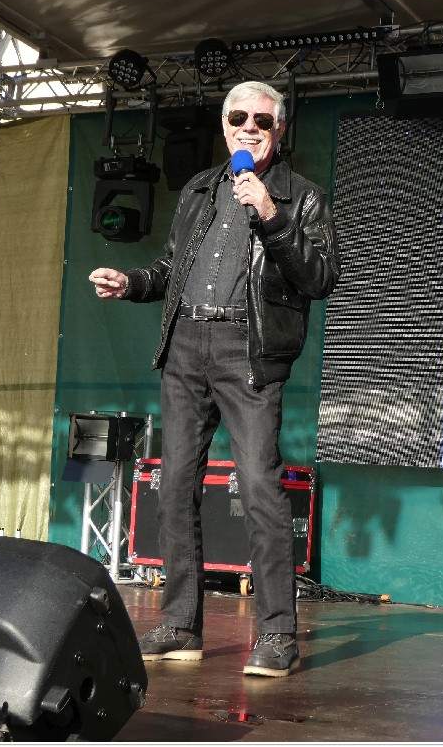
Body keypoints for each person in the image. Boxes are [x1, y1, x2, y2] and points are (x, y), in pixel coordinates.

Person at [89, 81, 340, 677]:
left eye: (263, 120)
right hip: (185, 346)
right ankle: (180, 625)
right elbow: (171, 268)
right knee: (175, 484)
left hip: (247, 350)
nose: (250, 127)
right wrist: (133, 283)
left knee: (258, 487)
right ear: (225, 125)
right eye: (239, 117)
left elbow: (319, 277)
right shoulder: (200, 188)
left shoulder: (301, 197)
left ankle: (277, 634)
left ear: (280, 131)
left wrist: (272, 214)